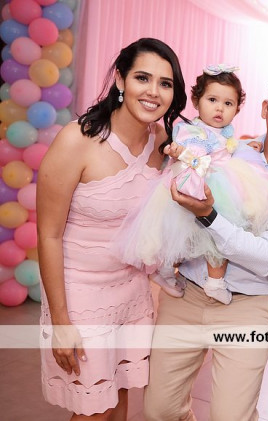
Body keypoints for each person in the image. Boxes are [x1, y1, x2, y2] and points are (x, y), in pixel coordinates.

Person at [143, 74, 268, 421]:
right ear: (265, 108)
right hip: (186, 293)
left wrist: (209, 217)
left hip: (247, 307)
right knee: (159, 410)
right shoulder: (230, 147)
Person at [37, 38, 187, 420]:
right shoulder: (77, 140)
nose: (153, 92)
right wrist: (61, 322)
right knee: (95, 411)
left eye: (165, 83)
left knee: (118, 402)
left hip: (133, 292)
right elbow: (48, 235)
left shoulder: (163, 142)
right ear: (120, 79)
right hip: (80, 295)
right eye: (142, 78)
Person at [115, 65, 268, 304]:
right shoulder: (191, 130)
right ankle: (165, 271)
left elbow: (228, 146)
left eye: (228, 103)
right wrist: (181, 151)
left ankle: (214, 282)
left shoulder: (226, 131)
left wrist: (245, 145)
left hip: (219, 184)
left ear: (237, 108)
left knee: (219, 236)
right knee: (173, 233)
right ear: (197, 101)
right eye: (212, 100)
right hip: (194, 181)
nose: (219, 108)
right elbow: (192, 152)